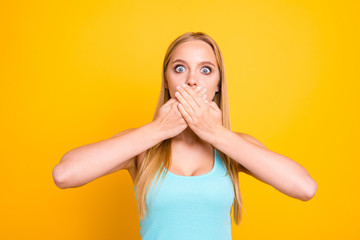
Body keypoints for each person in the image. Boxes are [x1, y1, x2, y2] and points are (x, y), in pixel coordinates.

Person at [52, 31, 317, 240]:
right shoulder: (142, 146)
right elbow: (64, 174)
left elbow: (305, 188)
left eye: (205, 70)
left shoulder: (234, 146)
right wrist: (157, 130)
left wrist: (216, 134)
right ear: (166, 81)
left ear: (217, 86)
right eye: (179, 68)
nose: (192, 80)